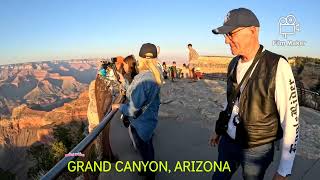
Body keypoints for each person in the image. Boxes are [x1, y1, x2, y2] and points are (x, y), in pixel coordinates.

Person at [209, 8, 299, 180]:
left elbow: (291, 119)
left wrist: (284, 170)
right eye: (225, 35)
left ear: (253, 30)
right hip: (228, 141)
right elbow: (231, 100)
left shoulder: (277, 65)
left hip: (257, 148)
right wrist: (220, 129)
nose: (227, 41)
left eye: (231, 34)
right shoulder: (233, 63)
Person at [112, 43, 163, 180]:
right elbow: (139, 95)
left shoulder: (143, 79)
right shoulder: (155, 74)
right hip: (150, 120)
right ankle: (149, 169)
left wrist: (118, 107)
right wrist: (125, 82)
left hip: (140, 123)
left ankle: (149, 174)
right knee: (148, 146)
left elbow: (132, 110)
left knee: (144, 150)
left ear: (142, 59)